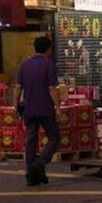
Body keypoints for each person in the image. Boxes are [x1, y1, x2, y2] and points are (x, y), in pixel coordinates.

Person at [14, 36, 61, 187]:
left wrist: (16, 106)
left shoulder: (24, 65)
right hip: (45, 109)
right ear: (48, 49)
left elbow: (18, 87)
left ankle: (31, 176)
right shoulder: (49, 64)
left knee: (31, 142)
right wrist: (58, 107)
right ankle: (40, 163)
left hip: (29, 109)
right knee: (54, 138)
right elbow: (52, 88)